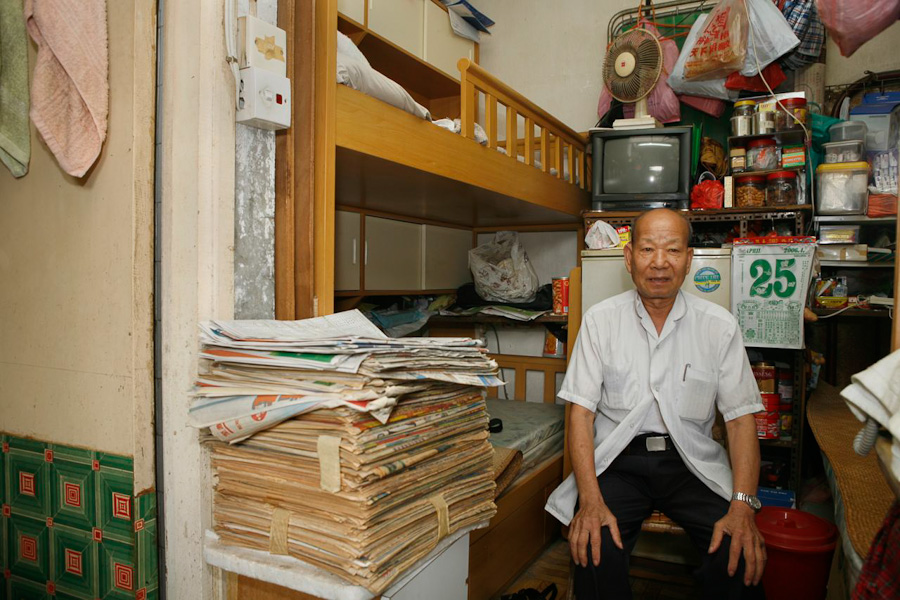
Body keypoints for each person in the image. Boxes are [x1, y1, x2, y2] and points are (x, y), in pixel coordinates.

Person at [545, 208, 767, 599]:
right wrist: (591, 500)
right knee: (595, 550)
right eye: (647, 249)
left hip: (691, 464)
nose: (660, 263)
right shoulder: (600, 321)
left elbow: (739, 420)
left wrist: (743, 506)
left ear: (689, 259)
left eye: (672, 250)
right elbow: (580, 414)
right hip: (618, 464)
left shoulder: (718, 326)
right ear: (629, 258)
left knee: (739, 553)